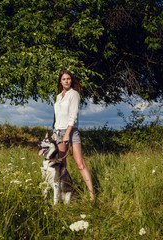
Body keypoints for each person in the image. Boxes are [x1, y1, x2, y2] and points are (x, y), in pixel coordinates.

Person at [53, 69, 95, 201]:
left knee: (80, 163)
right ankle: (66, 193)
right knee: (62, 166)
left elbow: (73, 115)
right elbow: (57, 116)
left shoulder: (74, 94)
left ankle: (92, 195)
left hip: (71, 131)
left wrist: (68, 134)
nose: (66, 81)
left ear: (72, 80)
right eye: (64, 79)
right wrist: (55, 132)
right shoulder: (59, 96)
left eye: (69, 79)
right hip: (58, 131)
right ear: (60, 81)